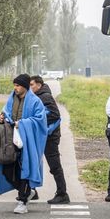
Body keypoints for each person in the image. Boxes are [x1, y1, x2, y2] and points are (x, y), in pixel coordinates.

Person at [0, 74, 48, 214]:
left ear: (24, 86)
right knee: (7, 170)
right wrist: (2, 118)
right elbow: (5, 112)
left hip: (27, 142)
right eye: (15, 85)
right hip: (10, 141)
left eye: (18, 85)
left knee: (25, 170)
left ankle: (22, 201)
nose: (15, 88)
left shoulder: (35, 102)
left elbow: (40, 120)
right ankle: (27, 191)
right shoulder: (11, 98)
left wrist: (22, 124)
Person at [29, 75, 70, 204]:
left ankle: (62, 194)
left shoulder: (45, 96)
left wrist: (39, 120)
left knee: (54, 165)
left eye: (32, 85)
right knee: (33, 162)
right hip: (43, 135)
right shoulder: (39, 96)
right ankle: (32, 191)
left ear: (39, 85)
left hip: (49, 137)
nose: (30, 87)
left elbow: (55, 115)